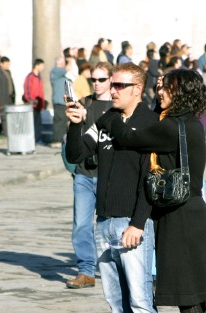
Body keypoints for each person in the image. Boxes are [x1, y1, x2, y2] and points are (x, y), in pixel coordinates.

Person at [97, 68, 206, 313]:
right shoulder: (191, 123)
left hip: (178, 217)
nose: (160, 91)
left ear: (180, 93)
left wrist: (108, 116)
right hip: (193, 213)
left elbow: (128, 137)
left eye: (166, 88)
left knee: (187, 295)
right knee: (199, 293)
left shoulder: (170, 126)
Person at [65, 62, 164, 313]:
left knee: (139, 300)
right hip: (104, 222)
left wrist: (138, 222)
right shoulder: (106, 120)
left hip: (131, 224)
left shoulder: (149, 124)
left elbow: (151, 179)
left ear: (137, 88)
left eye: (120, 85)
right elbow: (78, 152)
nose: (113, 90)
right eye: (113, 84)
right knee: (117, 302)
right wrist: (75, 125)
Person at [64, 62, 113, 290]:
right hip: (84, 173)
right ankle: (85, 271)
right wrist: (74, 118)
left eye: (102, 79)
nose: (97, 83)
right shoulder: (86, 102)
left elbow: (108, 132)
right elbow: (75, 137)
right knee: (81, 225)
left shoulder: (116, 105)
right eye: (93, 79)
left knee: (108, 226)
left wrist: (87, 117)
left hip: (108, 174)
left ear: (111, 80)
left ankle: (112, 269)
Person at [22, 58, 47, 145]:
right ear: (37, 65)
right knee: (32, 123)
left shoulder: (39, 77)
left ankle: (38, 139)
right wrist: (31, 101)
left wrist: (42, 102)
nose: (43, 67)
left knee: (38, 123)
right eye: (42, 65)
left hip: (39, 105)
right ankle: (31, 140)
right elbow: (27, 90)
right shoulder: (30, 77)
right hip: (32, 105)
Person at [50, 56, 69, 146]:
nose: (64, 64)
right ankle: (56, 140)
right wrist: (70, 61)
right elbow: (67, 69)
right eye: (62, 62)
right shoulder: (55, 71)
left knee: (63, 121)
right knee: (59, 121)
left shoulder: (61, 74)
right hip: (58, 101)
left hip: (63, 101)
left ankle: (61, 139)